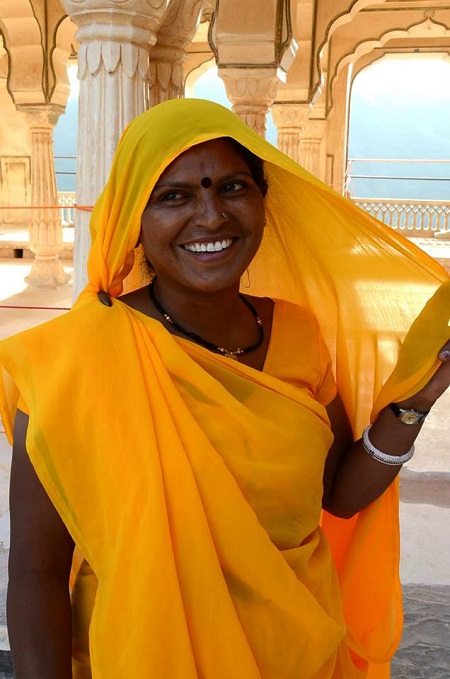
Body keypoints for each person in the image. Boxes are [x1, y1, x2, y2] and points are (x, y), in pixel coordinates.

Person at [0, 98, 449, 679]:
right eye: (174, 196)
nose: (211, 217)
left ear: (265, 203)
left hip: (300, 656)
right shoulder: (66, 361)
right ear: (131, 220)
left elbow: (336, 493)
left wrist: (414, 402)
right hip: (147, 657)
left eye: (233, 188)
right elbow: (36, 574)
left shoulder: (299, 336)